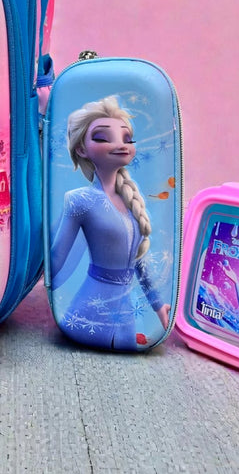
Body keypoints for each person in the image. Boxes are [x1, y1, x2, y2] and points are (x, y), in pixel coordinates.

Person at [49, 96, 169, 349]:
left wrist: (159, 307)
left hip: (125, 312)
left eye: (127, 138)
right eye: (103, 138)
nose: (121, 145)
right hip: (91, 308)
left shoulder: (131, 199)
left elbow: (139, 262)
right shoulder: (80, 200)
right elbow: (57, 258)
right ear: (81, 149)